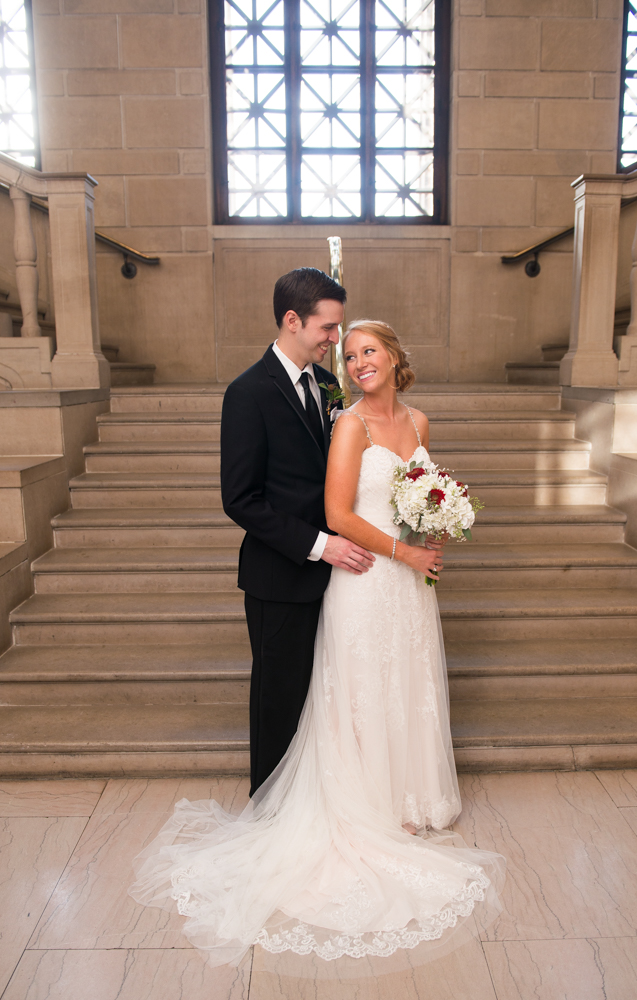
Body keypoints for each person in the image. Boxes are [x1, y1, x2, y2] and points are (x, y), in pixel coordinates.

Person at [129, 315, 504, 970]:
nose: (358, 362)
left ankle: (405, 799)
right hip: (362, 577)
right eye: (350, 353)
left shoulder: (419, 423)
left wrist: (432, 532)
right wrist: (400, 553)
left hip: (409, 584)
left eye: (369, 351)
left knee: (404, 681)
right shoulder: (347, 424)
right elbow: (337, 516)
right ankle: (362, 805)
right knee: (358, 685)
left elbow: (417, 495)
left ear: (393, 355)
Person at [218, 267, 375, 795]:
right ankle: (269, 808)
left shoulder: (329, 386)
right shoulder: (247, 393)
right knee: (279, 697)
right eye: (328, 328)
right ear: (292, 320)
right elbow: (240, 500)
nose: (337, 340)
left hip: (339, 577)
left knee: (322, 695)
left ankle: (314, 800)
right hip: (279, 576)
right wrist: (320, 545)